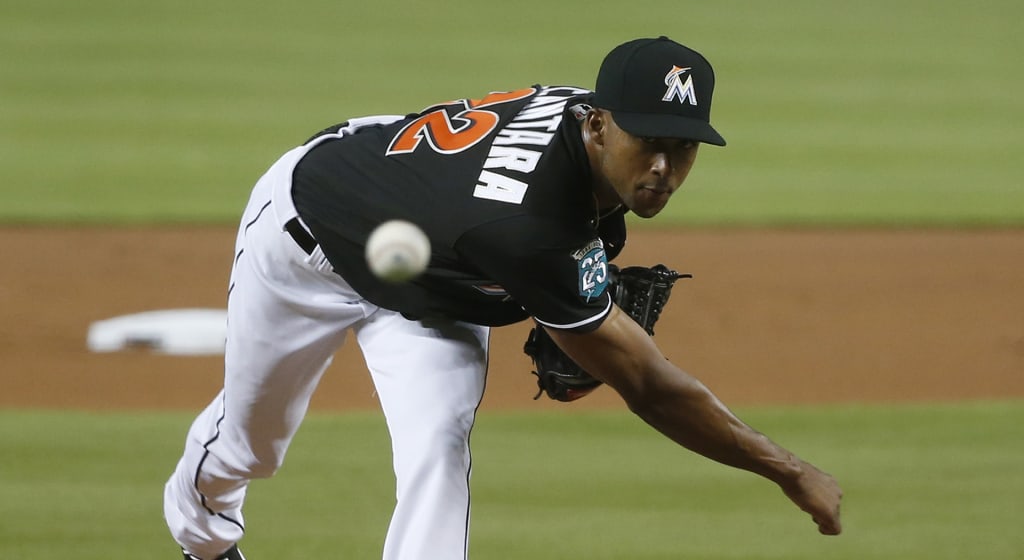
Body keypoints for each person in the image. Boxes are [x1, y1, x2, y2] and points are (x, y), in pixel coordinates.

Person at [164, 36, 842, 560]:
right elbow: (650, 386)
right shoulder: (526, 229)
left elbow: (567, 233)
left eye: (683, 147)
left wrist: (582, 289)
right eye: (649, 143)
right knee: (251, 448)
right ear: (601, 124)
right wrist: (787, 469)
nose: (664, 168)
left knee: (437, 445)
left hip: (435, 271)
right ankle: (205, 540)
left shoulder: (584, 131)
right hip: (312, 235)